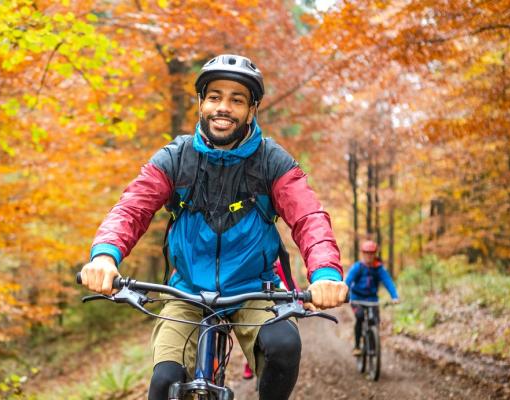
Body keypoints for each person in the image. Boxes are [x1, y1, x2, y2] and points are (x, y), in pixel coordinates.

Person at [79, 54, 348, 400]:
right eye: (215, 96)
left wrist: (325, 273)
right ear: (202, 104)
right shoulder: (175, 158)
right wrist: (104, 256)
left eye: (237, 100)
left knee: (283, 347)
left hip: (255, 288)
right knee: (164, 382)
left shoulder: (271, 161)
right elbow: (132, 207)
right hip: (186, 290)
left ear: (251, 110)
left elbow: (309, 217)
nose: (224, 107)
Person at [242, 259, 300, 380]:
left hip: (278, 297)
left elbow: (291, 282)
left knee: (280, 331)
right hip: (256, 297)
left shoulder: (278, 264)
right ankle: (248, 364)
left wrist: (298, 298)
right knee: (252, 337)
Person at [345, 240, 399, 356]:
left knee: (375, 321)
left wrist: (394, 296)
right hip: (357, 299)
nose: (369, 256)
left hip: (372, 300)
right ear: (363, 254)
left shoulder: (379, 269)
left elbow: (388, 281)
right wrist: (344, 294)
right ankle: (357, 346)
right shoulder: (357, 267)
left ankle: (373, 347)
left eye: (371, 253)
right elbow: (348, 281)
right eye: (366, 253)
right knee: (359, 317)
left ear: (375, 254)